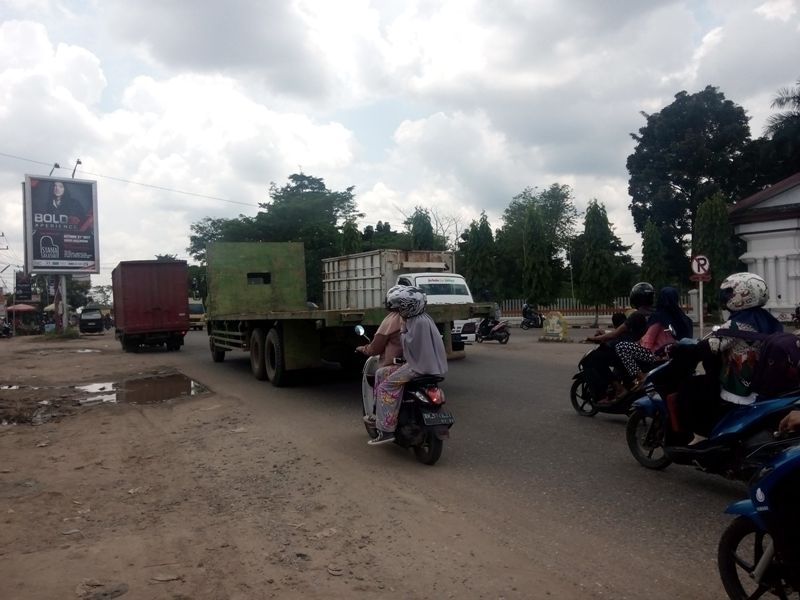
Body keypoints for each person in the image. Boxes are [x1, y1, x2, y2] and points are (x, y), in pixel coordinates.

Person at [679, 273, 783, 444]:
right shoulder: (769, 319)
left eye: (729, 293)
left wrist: (684, 349)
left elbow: (711, 345)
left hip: (740, 385)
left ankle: (702, 436)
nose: (726, 298)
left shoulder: (736, 323)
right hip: (764, 381)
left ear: (743, 295)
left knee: (694, 388)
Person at [361, 285, 448, 446]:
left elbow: (408, 344)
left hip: (418, 367)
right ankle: (379, 413)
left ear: (410, 306)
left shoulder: (414, 322)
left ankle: (386, 429)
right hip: (428, 365)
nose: (399, 310)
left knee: (386, 387)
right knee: (382, 373)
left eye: (401, 306)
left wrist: (403, 331)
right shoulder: (424, 318)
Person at [585, 282, 655, 402]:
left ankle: (619, 388)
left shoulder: (637, 315)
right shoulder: (656, 314)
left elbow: (615, 334)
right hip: (650, 354)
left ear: (635, 298)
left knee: (597, 358)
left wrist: (594, 339)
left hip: (635, 353)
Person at [356, 287, 404, 369]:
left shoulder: (391, 320)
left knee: (380, 377)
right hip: (419, 365)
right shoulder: (420, 320)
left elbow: (374, 349)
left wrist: (362, 348)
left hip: (395, 365)